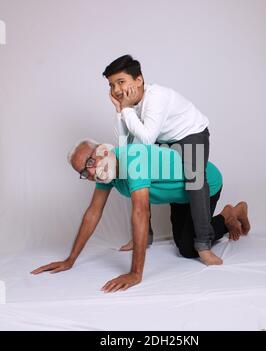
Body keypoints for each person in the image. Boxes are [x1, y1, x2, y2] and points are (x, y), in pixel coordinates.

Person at [31, 141, 250, 293]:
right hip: (179, 194)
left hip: (204, 183)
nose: (89, 172)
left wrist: (135, 273)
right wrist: (70, 260)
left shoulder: (131, 159)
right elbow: (93, 212)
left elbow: (140, 211)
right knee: (182, 240)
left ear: (103, 150)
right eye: (83, 172)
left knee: (187, 249)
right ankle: (228, 215)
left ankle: (230, 214)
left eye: (89, 162)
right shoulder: (105, 171)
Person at [103, 54, 217, 264]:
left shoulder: (156, 97)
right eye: (112, 85)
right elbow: (123, 147)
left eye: (121, 82)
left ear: (139, 80)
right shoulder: (129, 103)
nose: (117, 90)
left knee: (195, 180)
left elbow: (146, 139)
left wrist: (126, 109)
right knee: (135, 169)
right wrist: (120, 110)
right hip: (164, 139)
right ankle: (144, 237)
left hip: (190, 133)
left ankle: (204, 244)